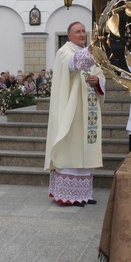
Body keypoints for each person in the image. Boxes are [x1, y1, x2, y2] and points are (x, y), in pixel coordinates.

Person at [44, 22, 105, 206]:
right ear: (69, 35)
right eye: (77, 32)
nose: (82, 35)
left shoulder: (88, 52)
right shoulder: (64, 51)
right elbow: (74, 63)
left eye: (83, 32)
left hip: (88, 112)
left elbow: (100, 74)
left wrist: (98, 81)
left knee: (85, 151)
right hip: (70, 111)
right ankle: (69, 195)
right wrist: (97, 48)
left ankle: (83, 194)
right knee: (70, 148)